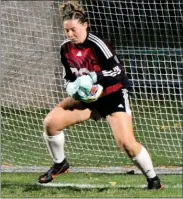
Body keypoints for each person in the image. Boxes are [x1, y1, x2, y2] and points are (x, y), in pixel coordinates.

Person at [38, 1, 163, 190]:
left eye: (74, 30)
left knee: (127, 144)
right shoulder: (65, 48)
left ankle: (153, 180)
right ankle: (60, 163)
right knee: (51, 123)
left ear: (85, 25)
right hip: (88, 100)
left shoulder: (98, 44)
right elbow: (68, 76)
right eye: (67, 31)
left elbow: (118, 72)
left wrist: (95, 77)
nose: (70, 34)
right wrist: (71, 87)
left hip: (112, 96)